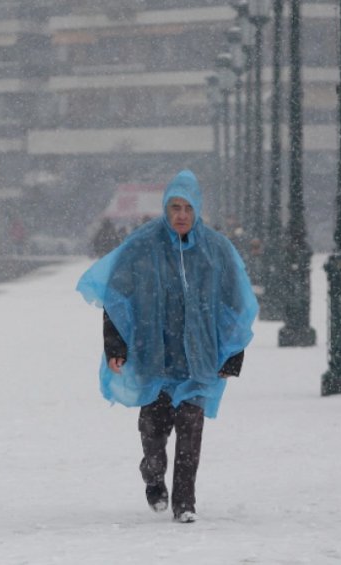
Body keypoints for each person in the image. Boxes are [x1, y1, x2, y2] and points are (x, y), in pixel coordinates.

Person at [76, 170, 258, 523]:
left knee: (191, 430)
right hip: (154, 356)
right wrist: (116, 346)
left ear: (198, 209)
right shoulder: (143, 246)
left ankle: (185, 503)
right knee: (154, 431)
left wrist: (233, 353)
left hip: (198, 358)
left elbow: (236, 306)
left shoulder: (216, 250)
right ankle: (153, 474)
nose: (181, 215)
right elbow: (117, 296)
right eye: (174, 207)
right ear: (165, 208)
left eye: (188, 208)